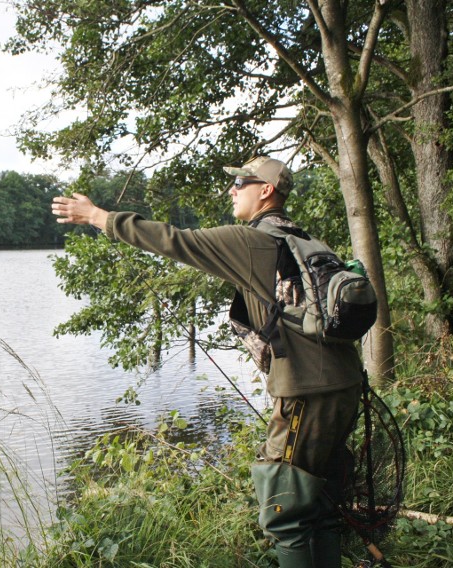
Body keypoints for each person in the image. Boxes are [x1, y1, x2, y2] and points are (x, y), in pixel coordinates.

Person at [51, 156, 363, 568]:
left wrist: (98, 217)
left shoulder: (254, 241)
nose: (232, 191)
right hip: (344, 383)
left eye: (241, 183)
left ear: (266, 191)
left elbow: (175, 240)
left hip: (307, 391)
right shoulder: (306, 241)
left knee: (284, 510)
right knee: (319, 500)